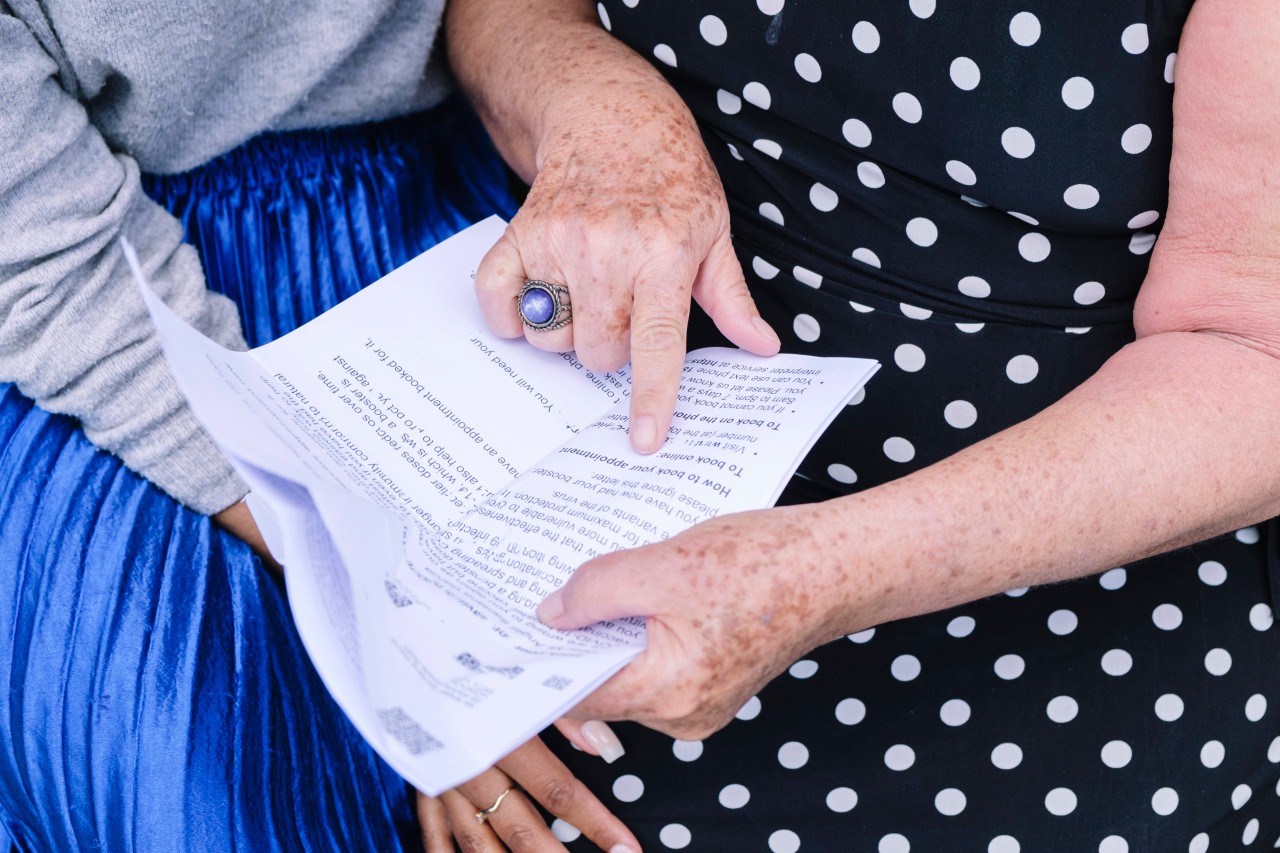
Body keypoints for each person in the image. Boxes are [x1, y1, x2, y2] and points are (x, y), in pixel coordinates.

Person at [435, 0, 1280, 848]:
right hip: (593, 545)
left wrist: (820, 573)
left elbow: (1254, 353)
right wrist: (594, 102)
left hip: (1065, 624)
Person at [0, 3, 642, 850]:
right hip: (116, 315)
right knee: (202, 784)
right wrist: (380, 599)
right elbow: (40, 244)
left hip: (459, 219)